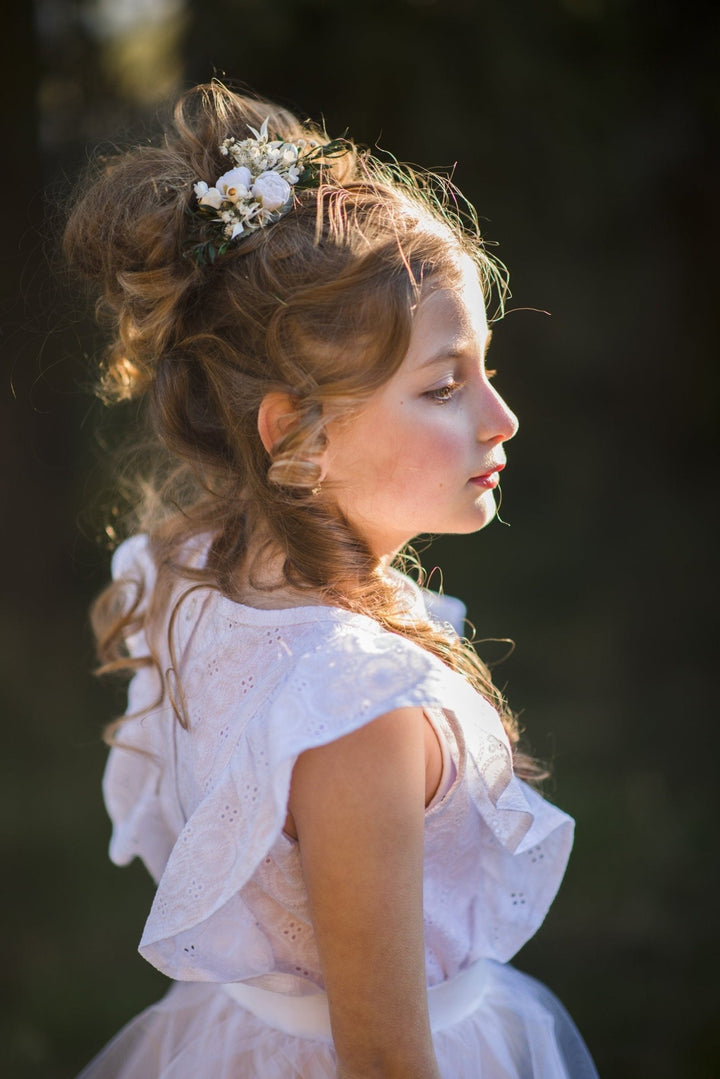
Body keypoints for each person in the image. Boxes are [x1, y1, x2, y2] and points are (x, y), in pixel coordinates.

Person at [66, 80, 599, 1079]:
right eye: (443, 386)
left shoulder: (195, 565)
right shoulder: (352, 712)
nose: (500, 416)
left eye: (486, 366)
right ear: (295, 436)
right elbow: (389, 1056)